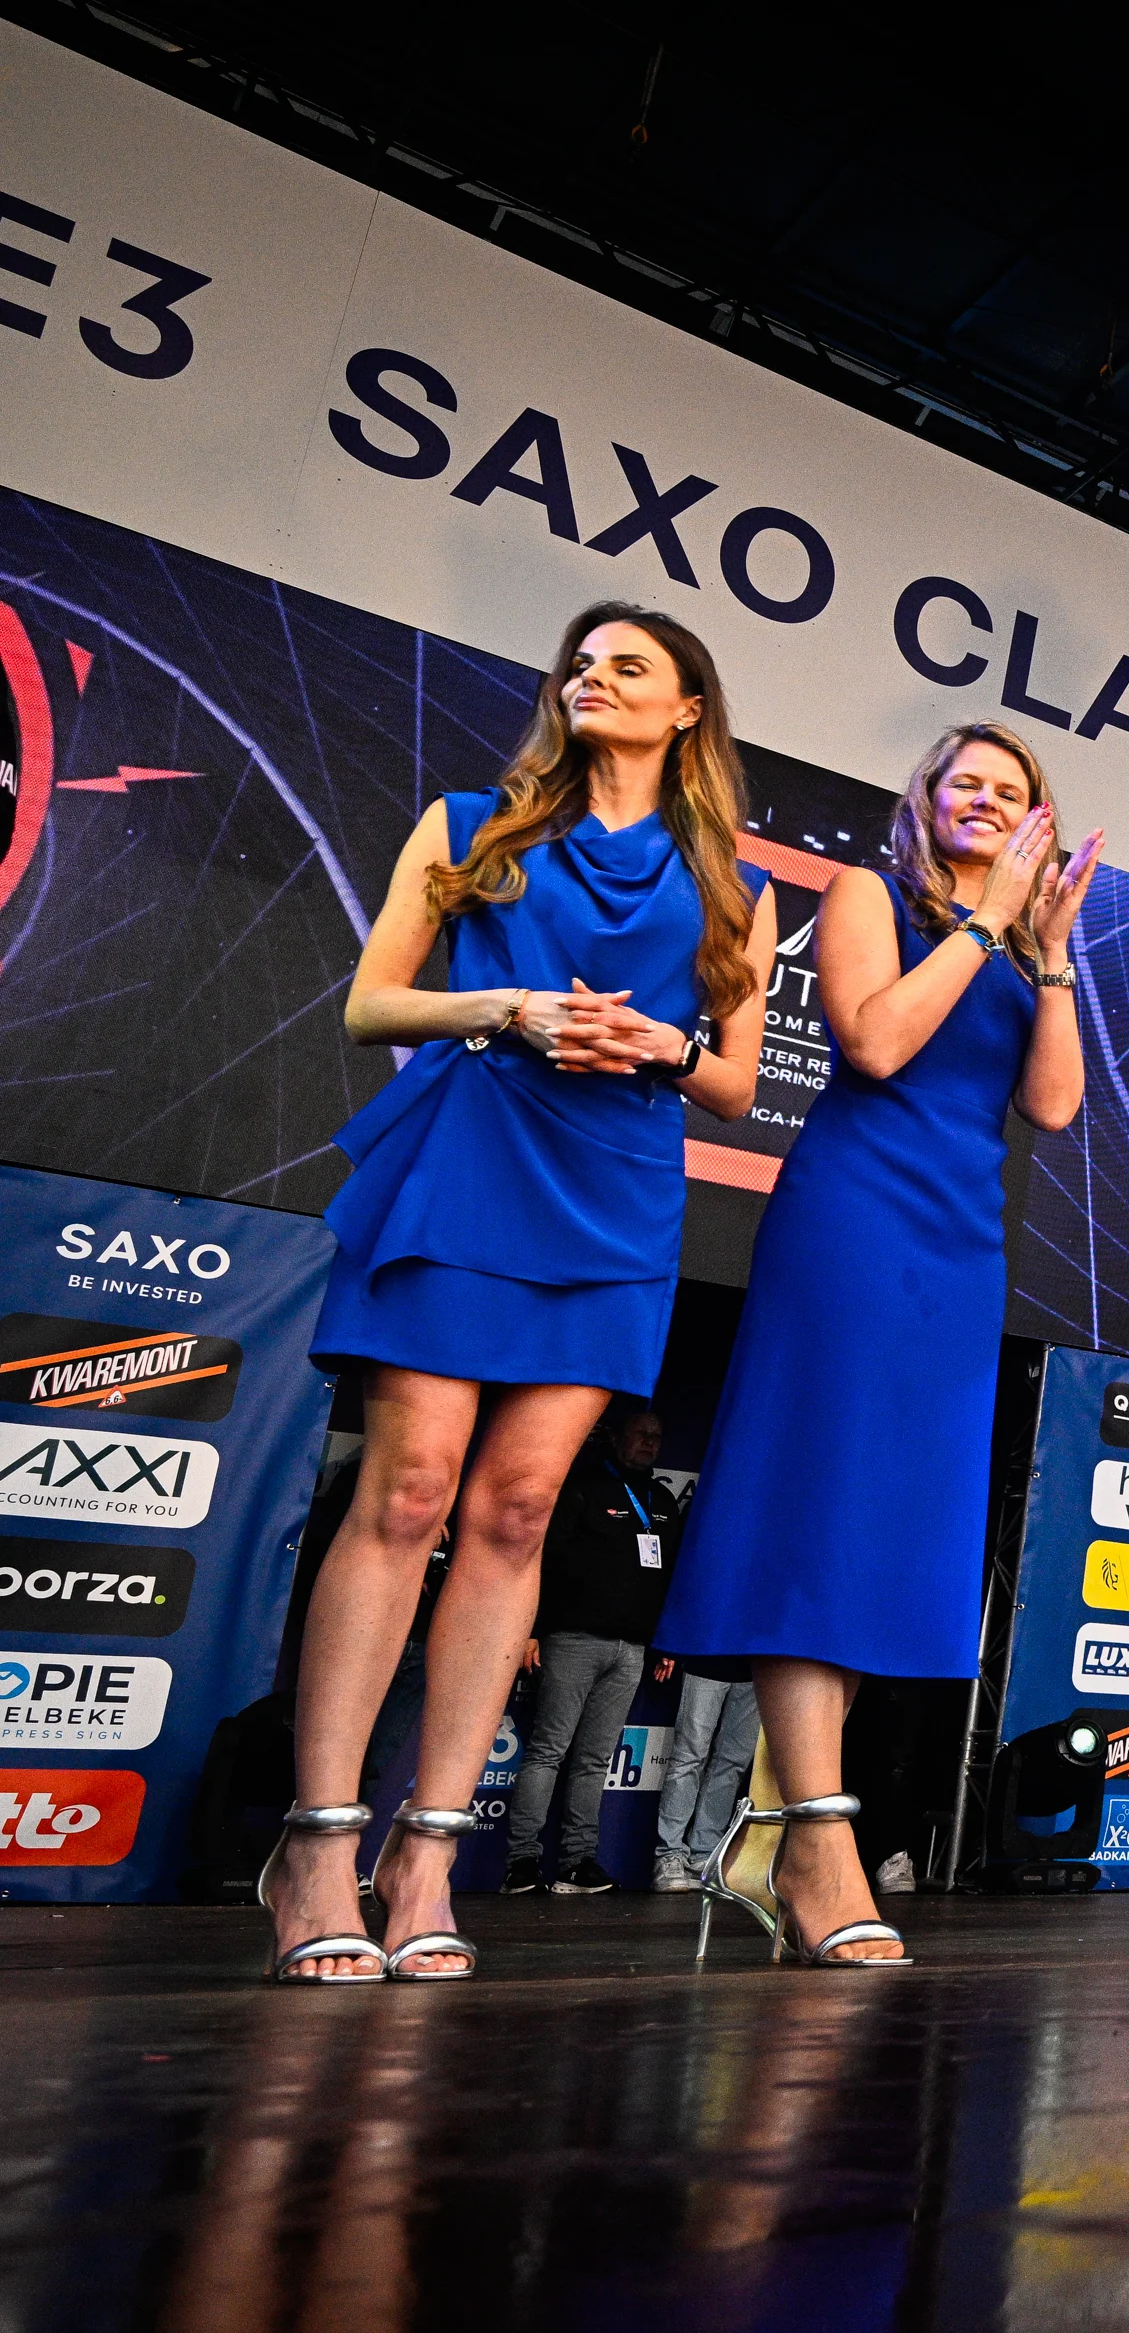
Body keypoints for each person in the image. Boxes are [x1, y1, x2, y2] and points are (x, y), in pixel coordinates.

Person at [263, 602, 775, 1983]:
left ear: (686, 712)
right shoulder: (468, 823)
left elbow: (731, 1079)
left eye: (630, 667)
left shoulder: (730, 881)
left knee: (518, 1508)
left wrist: (665, 1043)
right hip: (467, 1156)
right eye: (581, 661)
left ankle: (425, 1855)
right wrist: (511, 1009)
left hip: (614, 1191)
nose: (591, 678)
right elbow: (372, 1003)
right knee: (412, 1486)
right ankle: (317, 1843)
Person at [655, 722, 1098, 1965]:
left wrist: (1049, 955)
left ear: (1034, 821)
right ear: (926, 799)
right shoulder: (868, 893)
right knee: (823, 1515)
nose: (987, 801)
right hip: (852, 1217)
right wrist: (978, 923)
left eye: (1012, 793)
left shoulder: (1020, 947)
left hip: (958, 1249)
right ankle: (819, 1836)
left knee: (891, 1531)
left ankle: (778, 1818)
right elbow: (877, 1040)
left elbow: (1054, 1106)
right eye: (967, 782)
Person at [500, 1401, 679, 1894]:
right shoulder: (583, 1487)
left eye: (656, 1436)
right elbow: (544, 1562)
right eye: (640, 1433)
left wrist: (665, 1640)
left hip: (632, 1650)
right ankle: (521, 1862)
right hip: (573, 1640)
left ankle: (578, 1861)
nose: (648, 1443)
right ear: (616, 1438)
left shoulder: (663, 1501)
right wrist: (530, 1628)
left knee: (596, 1759)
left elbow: (668, 1579)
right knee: (548, 1751)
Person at [648, 1656, 760, 1897]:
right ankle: (669, 1854)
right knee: (688, 1758)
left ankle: (705, 1855)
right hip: (706, 1658)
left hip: (757, 1666)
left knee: (732, 1764)